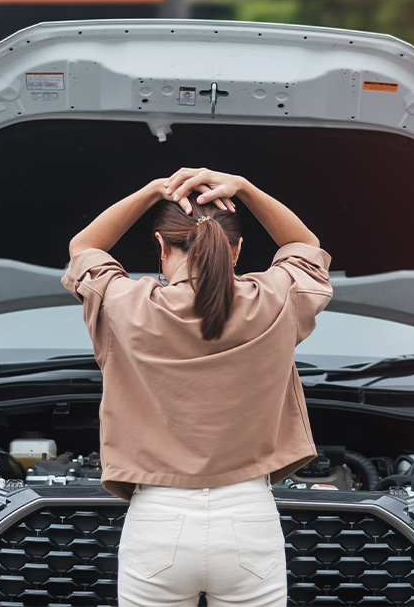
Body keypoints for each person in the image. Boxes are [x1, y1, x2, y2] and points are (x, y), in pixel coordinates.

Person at [62, 168, 332, 606]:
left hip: (157, 521)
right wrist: (245, 186)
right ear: (238, 250)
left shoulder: (125, 305)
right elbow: (305, 247)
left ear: (162, 246)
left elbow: (85, 247)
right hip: (249, 518)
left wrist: (153, 190)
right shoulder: (275, 299)